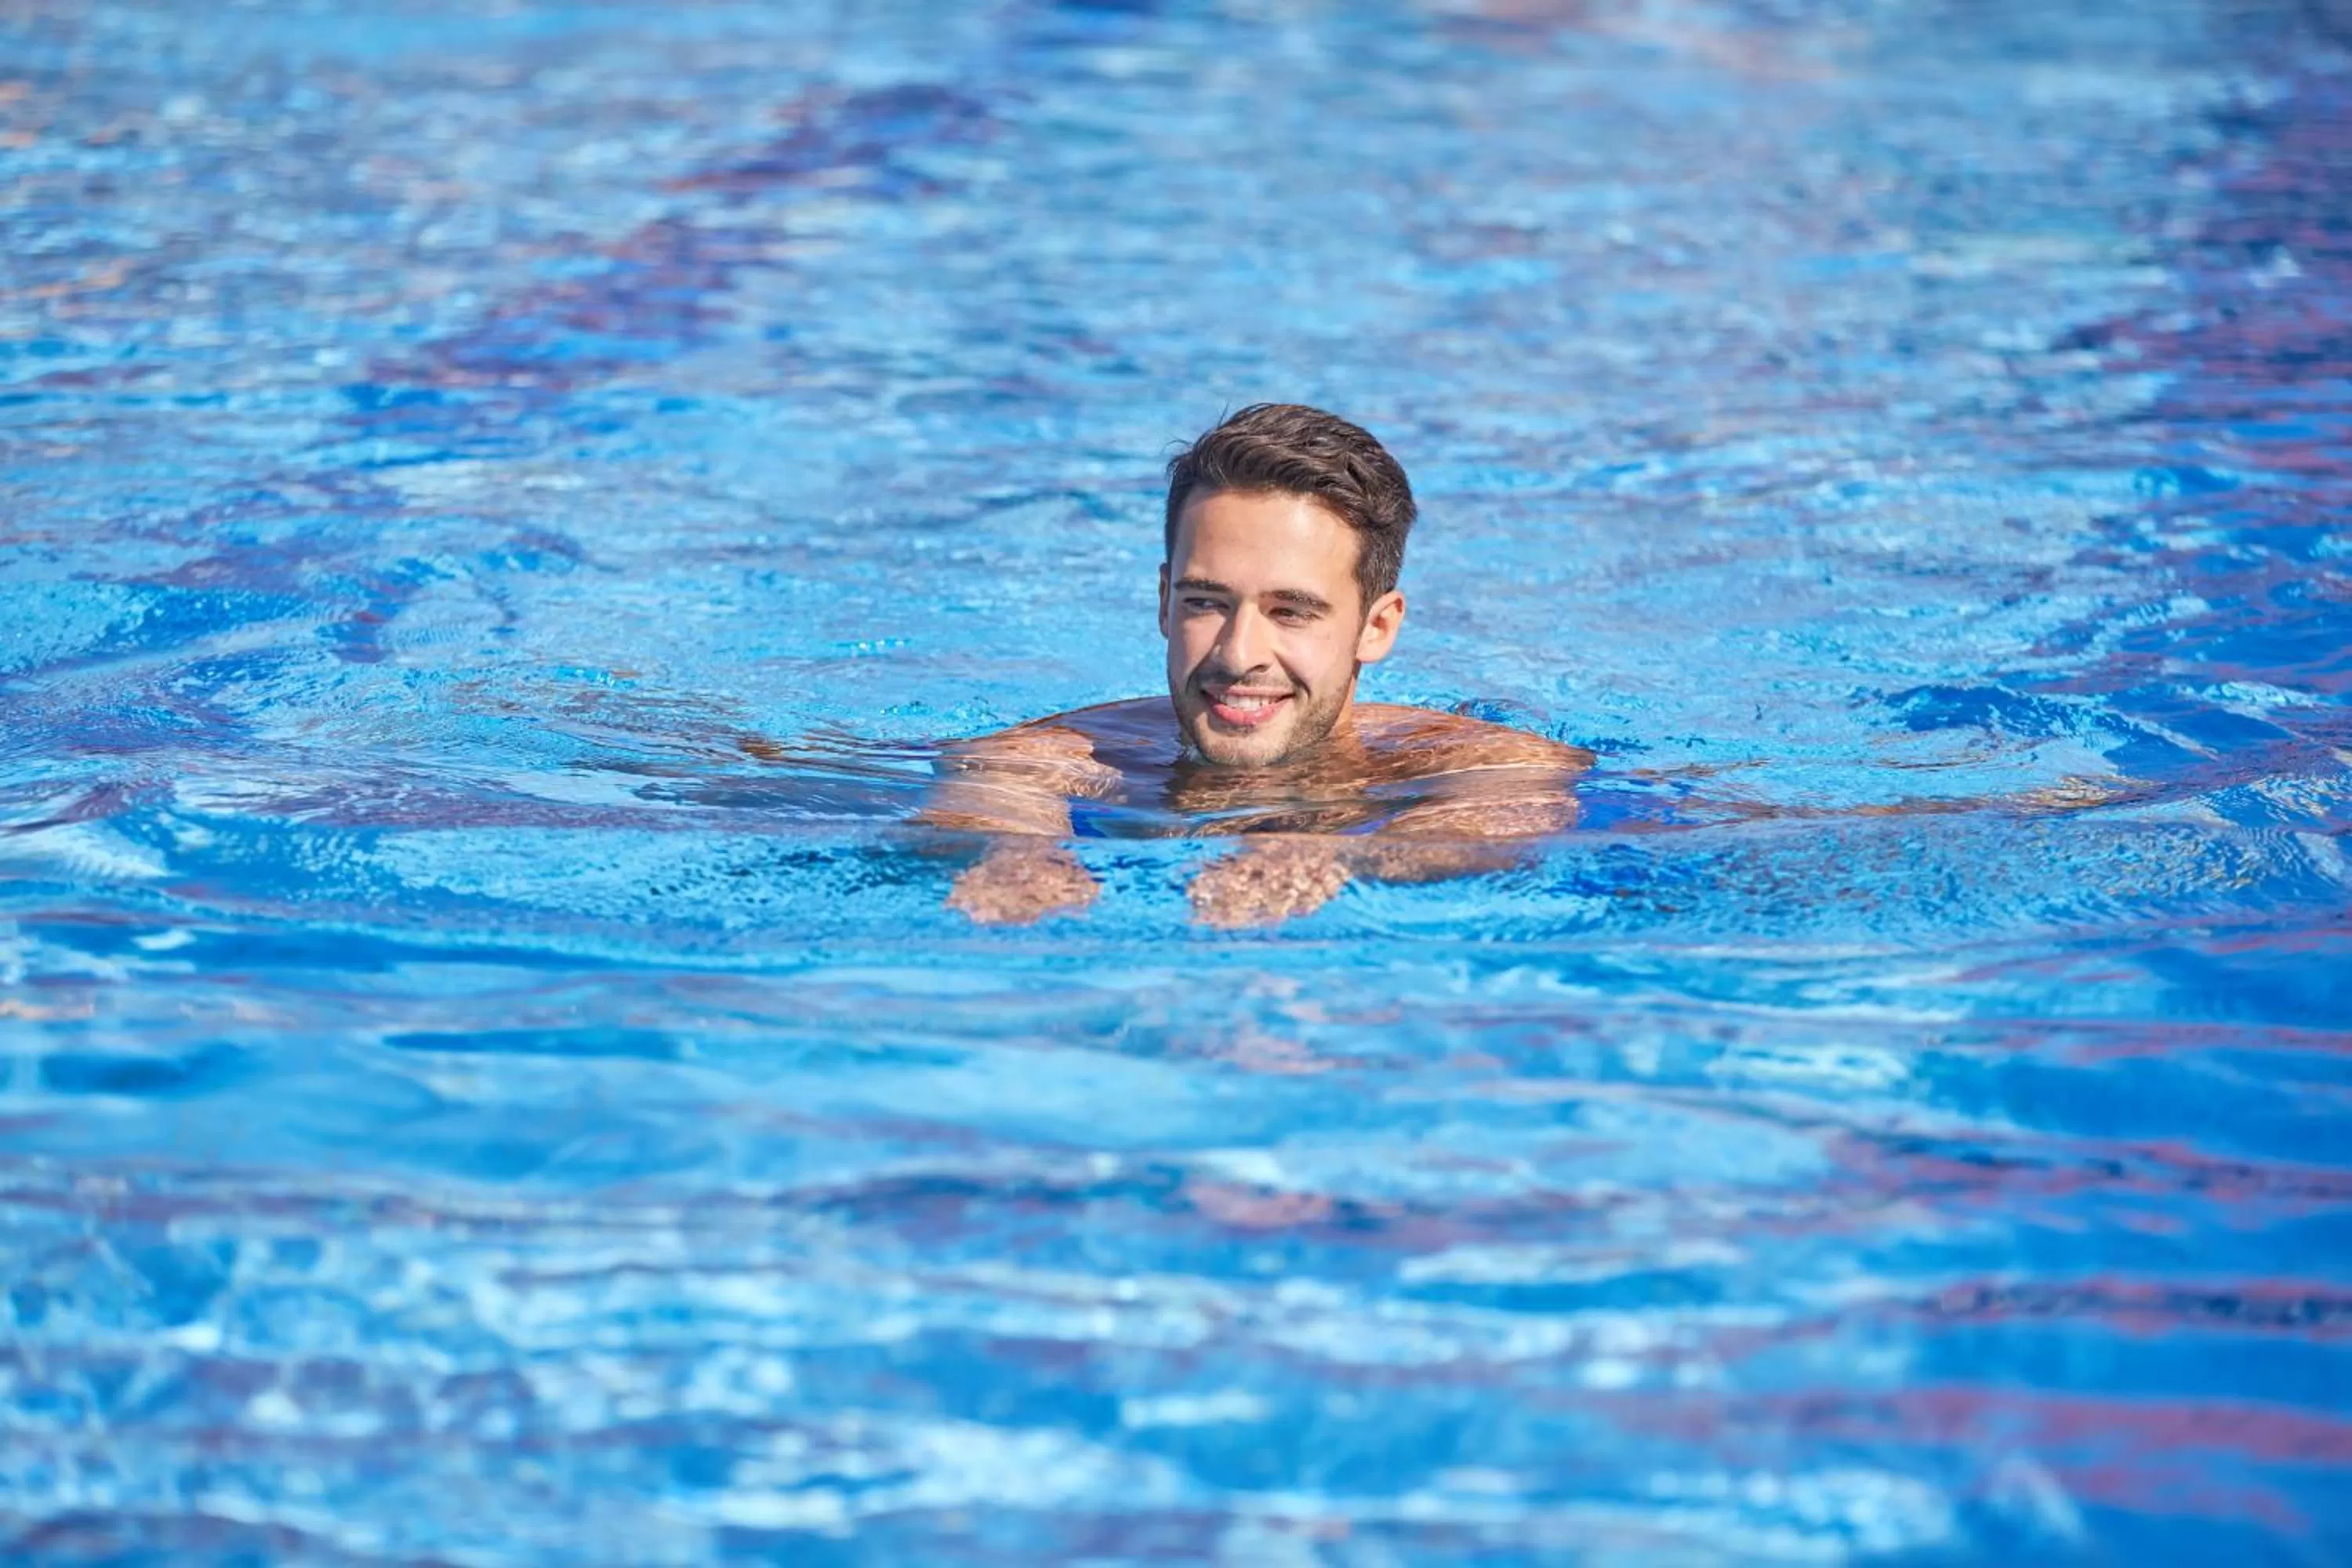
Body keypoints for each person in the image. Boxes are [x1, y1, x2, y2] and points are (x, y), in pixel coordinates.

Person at [918, 403, 1592, 927]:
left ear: (1376, 627)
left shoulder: (1476, 762)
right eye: (1206, 603)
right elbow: (987, 799)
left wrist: (1339, 856)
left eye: (1291, 611)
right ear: (1163, 602)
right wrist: (1015, 854)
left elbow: (1490, 820)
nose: (1238, 654)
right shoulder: (1073, 753)